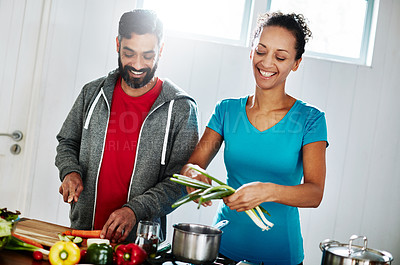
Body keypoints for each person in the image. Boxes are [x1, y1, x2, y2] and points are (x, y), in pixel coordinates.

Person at [181, 12, 328, 265]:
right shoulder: (226, 111)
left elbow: (314, 193)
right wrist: (193, 175)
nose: (267, 63)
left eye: (280, 57)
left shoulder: (310, 119)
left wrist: (267, 191)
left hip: (281, 256)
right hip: (221, 250)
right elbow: (192, 165)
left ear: (296, 63)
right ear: (251, 51)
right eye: (261, 51)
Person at [55, 9, 199, 243]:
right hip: (83, 232)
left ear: (161, 50)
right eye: (129, 53)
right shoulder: (92, 92)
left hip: (140, 244)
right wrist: (70, 171)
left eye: (148, 55)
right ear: (117, 44)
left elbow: (180, 182)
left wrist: (135, 210)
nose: (138, 65)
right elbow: (67, 142)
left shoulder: (181, 108)